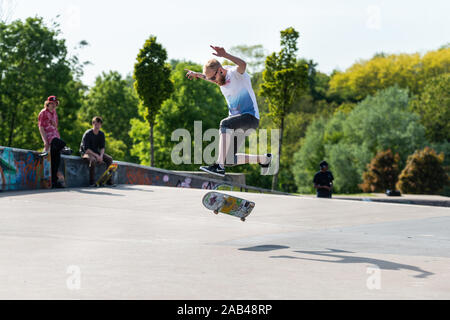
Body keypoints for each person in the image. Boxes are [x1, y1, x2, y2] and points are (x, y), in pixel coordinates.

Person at [184, 45, 272, 177]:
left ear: (220, 70)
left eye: (213, 78)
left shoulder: (236, 74)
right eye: (210, 79)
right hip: (238, 122)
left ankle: (219, 166)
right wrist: (197, 75)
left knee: (225, 124)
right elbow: (209, 77)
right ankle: (264, 159)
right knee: (229, 159)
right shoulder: (219, 79)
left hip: (250, 117)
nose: (213, 81)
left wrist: (225, 55)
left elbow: (243, 64)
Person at [38, 96, 72, 188]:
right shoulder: (43, 113)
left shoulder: (54, 113)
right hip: (49, 138)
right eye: (51, 104)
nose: (53, 106)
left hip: (55, 137)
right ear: (47, 104)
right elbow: (41, 128)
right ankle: (64, 147)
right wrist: (45, 141)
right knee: (61, 144)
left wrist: (54, 125)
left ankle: (54, 182)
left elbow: (55, 127)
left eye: (55, 104)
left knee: (55, 161)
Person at [79, 116, 114, 187]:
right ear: (93, 124)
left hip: (95, 152)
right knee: (93, 160)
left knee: (109, 159)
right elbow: (87, 149)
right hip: (85, 153)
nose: (97, 126)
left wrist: (101, 156)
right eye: (95, 124)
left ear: (101, 125)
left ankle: (108, 180)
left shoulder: (101, 134)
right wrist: (97, 156)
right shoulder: (88, 133)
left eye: (99, 124)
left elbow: (102, 147)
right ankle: (92, 182)